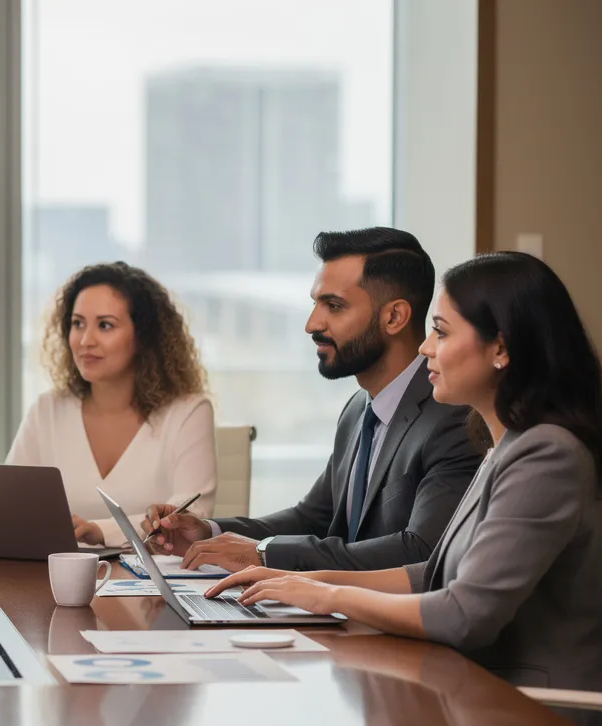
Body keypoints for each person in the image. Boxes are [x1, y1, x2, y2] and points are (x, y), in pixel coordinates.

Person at [208, 252, 602, 726]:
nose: (426, 347)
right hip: (486, 697)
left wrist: (328, 598)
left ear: (501, 347)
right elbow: (435, 574)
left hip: (542, 722)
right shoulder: (509, 443)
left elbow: (463, 615)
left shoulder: (547, 454)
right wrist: (307, 581)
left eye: (441, 332)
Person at [146, 227, 481, 572]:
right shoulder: (358, 409)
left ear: (394, 317)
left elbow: (421, 550)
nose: (311, 324)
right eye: (315, 304)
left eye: (333, 306)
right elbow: (312, 519)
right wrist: (209, 532)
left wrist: (263, 554)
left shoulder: (454, 419)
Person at [7, 261, 216, 548]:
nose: (85, 340)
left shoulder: (188, 411)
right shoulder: (47, 410)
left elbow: (190, 516)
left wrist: (100, 531)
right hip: (56, 573)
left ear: (143, 336)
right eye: (77, 324)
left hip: (151, 576)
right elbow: (8, 504)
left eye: (105, 325)